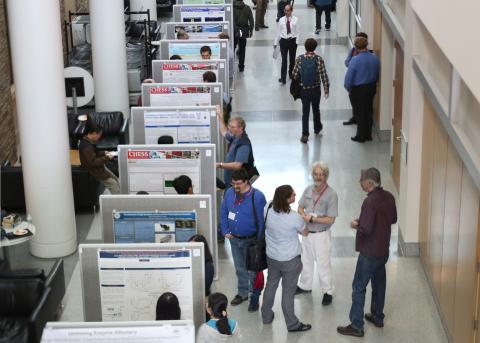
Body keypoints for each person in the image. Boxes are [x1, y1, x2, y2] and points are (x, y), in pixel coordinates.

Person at [337, 168, 397, 337]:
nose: (359, 182)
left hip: (369, 253)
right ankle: (377, 316)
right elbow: (393, 219)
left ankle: (356, 325)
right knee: (379, 284)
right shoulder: (389, 197)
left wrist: (356, 224)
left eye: (361, 180)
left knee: (358, 287)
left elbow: (366, 229)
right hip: (383, 251)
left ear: (370, 183)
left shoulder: (369, 202)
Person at [261, 185, 312, 332]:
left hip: (272, 257)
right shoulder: (294, 217)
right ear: (286, 200)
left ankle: (266, 315)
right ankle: (292, 324)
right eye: (292, 195)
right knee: (288, 293)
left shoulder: (268, 208)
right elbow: (305, 233)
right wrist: (304, 219)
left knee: (270, 285)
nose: (295, 194)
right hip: (290, 260)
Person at [220, 168, 266, 311]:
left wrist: (259, 242)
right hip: (234, 239)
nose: (235, 186)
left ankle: (254, 296)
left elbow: (261, 220)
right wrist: (225, 230)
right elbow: (223, 212)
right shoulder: (229, 193)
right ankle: (243, 293)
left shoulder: (257, 197)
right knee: (240, 268)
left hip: (251, 241)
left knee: (253, 270)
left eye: (238, 183)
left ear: (247, 182)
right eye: (233, 183)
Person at [295, 162, 338, 307]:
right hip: (307, 233)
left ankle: (327, 291)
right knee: (305, 260)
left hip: (321, 234)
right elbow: (300, 207)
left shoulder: (331, 194)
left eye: (321, 174)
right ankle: (305, 285)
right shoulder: (308, 190)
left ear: (326, 176)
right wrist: (303, 214)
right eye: (315, 174)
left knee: (323, 264)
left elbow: (331, 219)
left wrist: (313, 219)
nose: (318, 177)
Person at [291, 38, 329, 143]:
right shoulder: (319, 59)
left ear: (305, 47)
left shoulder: (299, 59)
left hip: (304, 91)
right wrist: (326, 90)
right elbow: (324, 76)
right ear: (315, 47)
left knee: (305, 112)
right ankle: (317, 128)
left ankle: (305, 134)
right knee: (316, 109)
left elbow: (294, 74)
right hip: (316, 90)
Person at [344, 36, 380, 143]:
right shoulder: (374, 58)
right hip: (371, 87)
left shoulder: (355, 60)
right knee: (368, 110)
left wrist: (348, 88)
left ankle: (360, 136)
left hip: (359, 90)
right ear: (366, 45)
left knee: (359, 112)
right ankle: (368, 135)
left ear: (356, 47)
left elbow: (349, 77)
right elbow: (377, 73)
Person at [216, 110, 256, 187]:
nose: (229, 128)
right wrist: (220, 117)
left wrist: (220, 165)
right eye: (229, 126)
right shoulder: (235, 137)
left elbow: (237, 165)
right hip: (231, 181)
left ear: (241, 128)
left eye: (232, 127)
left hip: (237, 185)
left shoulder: (244, 145)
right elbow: (224, 132)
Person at [78, 121, 120, 194]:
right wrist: (106, 158)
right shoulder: (86, 146)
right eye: (99, 135)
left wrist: (104, 153)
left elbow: (94, 154)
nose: (99, 137)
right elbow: (93, 162)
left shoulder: (88, 141)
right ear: (94, 133)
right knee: (114, 185)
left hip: (98, 167)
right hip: (94, 170)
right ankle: (117, 203)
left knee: (115, 179)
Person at [343, 32, 369, 126]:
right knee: (353, 100)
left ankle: (360, 120)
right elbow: (346, 62)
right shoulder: (353, 50)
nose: (356, 42)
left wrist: (354, 64)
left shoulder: (368, 54)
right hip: (353, 79)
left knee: (361, 104)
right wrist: (354, 64)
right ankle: (355, 117)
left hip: (361, 82)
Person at [274, 4, 299, 85]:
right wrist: (275, 42)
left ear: (291, 11)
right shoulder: (281, 20)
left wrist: (297, 42)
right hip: (283, 41)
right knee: (284, 60)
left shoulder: (296, 19)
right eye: (285, 10)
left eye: (288, 10)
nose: (286, 12)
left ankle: (291, 73)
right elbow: (278, 32)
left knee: (292, 60)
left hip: (292, 41)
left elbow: (298, 32)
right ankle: (283, 78)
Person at [233, 0, 254, 72]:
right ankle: (241, 66)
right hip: (244, 30)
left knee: (233, 47)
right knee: (242, 49)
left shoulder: (232, 8)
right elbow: (251, 20)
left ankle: (231, 64)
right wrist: (251, 30)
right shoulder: (247, 8)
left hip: (235, 30)